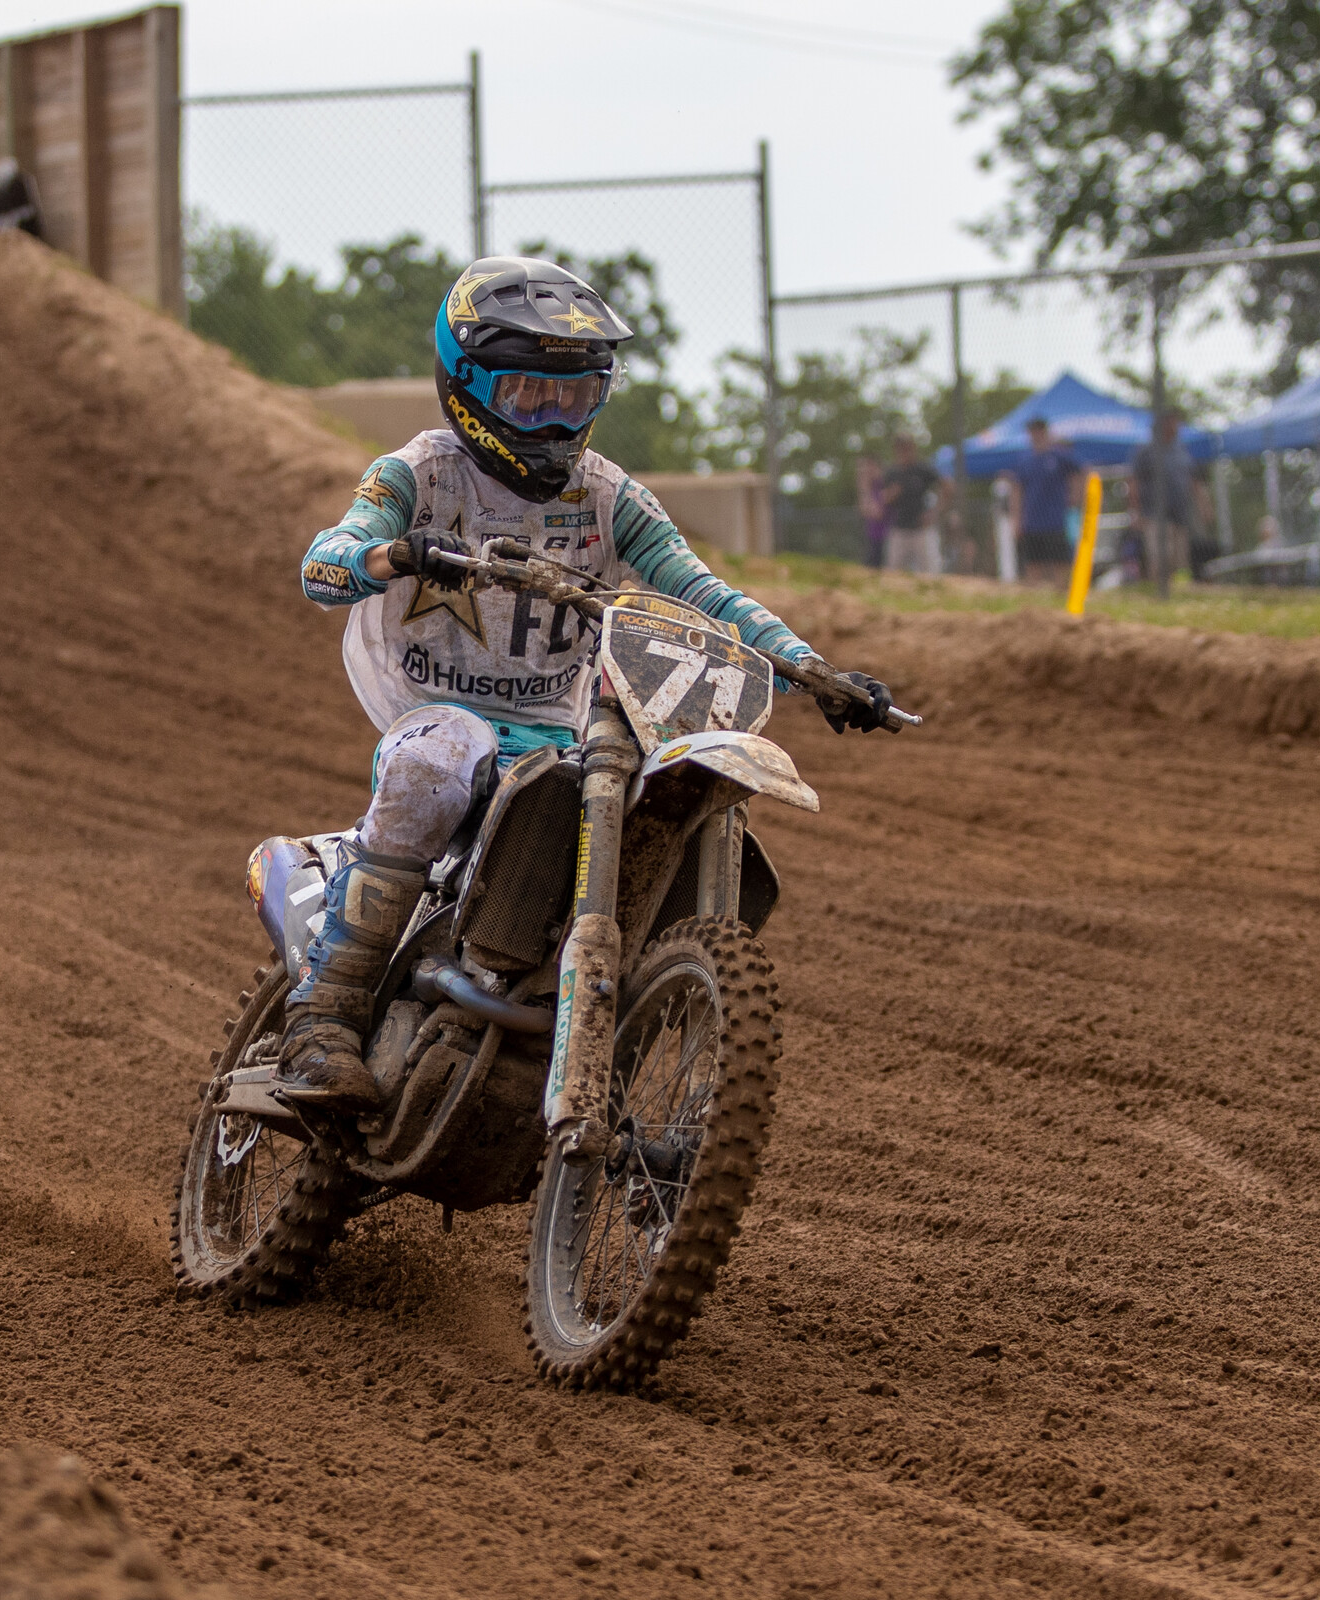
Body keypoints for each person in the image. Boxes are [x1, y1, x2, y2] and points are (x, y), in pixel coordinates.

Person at [280, 255, 895, 1110]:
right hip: (428, 704)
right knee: (439, 757)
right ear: (465, 383)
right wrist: (389, 554)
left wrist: (813, 670)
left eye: (574, 395)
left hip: (555, 729)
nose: (552, 417)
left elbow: (703, 592)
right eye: (526, 394)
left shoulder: (610, 497)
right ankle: (323, 1017)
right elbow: (322, 563)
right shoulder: (417, 474)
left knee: (651, 805)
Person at [1127, 409, 1211, 597]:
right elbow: (1133, 482)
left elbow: (1194, 482)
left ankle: (1179, 593)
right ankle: (1159, 593)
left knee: (1179, 559)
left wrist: (1204, 506)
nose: (1176, 426)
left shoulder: (1181, 450)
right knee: (1160, 556)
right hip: (1154, 514)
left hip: (1180, 514)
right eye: (1172, 422)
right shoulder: (1146, 451)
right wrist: (1135, 512)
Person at [1002, 416, 1083, 589]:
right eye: (1033, 431)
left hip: (1056, 520)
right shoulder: (1024, 460)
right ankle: (1034, 598)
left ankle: (1061, 591)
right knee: (1033, 561)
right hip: (1032, 521)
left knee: (1059, 559)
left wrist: (1075, 498)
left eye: (1039, 431)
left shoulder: (1059, 456)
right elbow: (1017, 491)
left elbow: (1079, 473)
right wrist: (1016, 519)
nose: (1036, 435)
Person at [877, 434, 943, 575]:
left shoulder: (922, 470)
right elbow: (882, 500)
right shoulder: (892, 473)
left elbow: (948, 486)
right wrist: (892, 493)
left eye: (907, 447)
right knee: (893, 573)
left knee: (930, 573)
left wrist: (935, 512)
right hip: (899, 529)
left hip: (921, 529)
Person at [854, 457, 886, 569]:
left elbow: (877, 513)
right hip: (873, 537)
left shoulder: (884, 485)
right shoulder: (871, 488)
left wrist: (864, 487)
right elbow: (864, 511)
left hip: (886, 539)